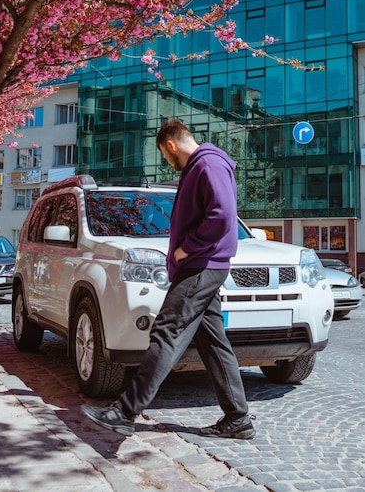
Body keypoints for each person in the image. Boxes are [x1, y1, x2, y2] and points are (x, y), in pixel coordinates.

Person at [81, 118, 255, 439]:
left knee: (165, 332)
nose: (167, 160)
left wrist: (185, 249)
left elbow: (222, 216)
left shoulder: (208, 164)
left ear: (171, 145)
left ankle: (124, 411)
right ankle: (238, 419)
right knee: (213, 343)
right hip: (203, 265)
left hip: (201, 265)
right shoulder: (201, 167)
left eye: (164, 154)